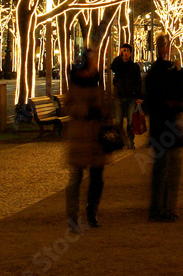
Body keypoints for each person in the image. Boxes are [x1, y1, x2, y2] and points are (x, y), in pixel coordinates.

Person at [144, 34, 183, 221]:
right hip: (165, 124)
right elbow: (173, 93)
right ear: (162, 48)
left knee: (165, 168)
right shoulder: (161, 71)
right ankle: (161, 208)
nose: (169, 48)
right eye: (167, 45)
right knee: (164, 169)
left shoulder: (161, 70)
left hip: (164, 125)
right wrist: (177, 73)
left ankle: (164, 207)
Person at [65, 47, 108, 230]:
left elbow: (104, 105)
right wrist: (85, 111)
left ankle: (92, 212)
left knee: (97, 177)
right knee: (77, 177)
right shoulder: (76, 82)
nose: (96, 63)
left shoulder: (97, 81)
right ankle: (73, 216)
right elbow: (70, 106)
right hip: (80, 135)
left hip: (96, 135)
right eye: (94, 60)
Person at [110, 43, 143, 149]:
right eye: (123, 51)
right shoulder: (118, 65)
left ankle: (130, 141)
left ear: (131, 53)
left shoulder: (134, 67)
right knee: (118, 121)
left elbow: (138, 81)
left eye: (127, 51)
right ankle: (120, 141)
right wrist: (119, 56)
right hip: (119, 96)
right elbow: (112, 67)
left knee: (130, 121)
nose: (125, 53)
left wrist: (138, 96)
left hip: (131, 97)